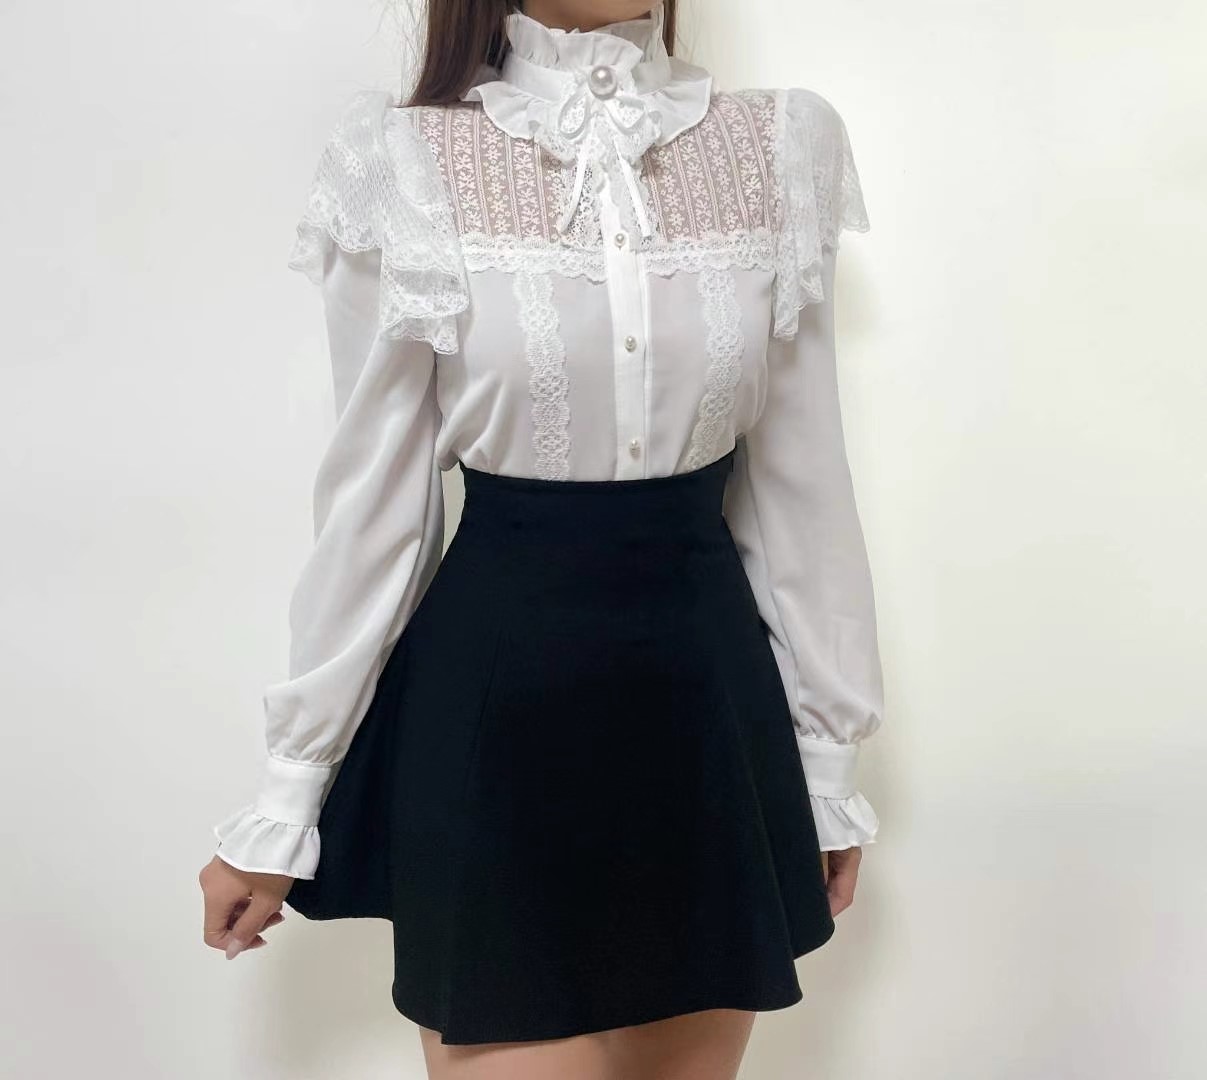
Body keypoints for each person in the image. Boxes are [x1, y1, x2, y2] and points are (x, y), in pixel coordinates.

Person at [198, 1, 885, 1076]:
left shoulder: (778, 146)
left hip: (706, 723)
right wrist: (286, 798)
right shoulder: (406, 160)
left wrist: (825, 761)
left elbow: (800, 484)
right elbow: (376, 507)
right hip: (493, 723)